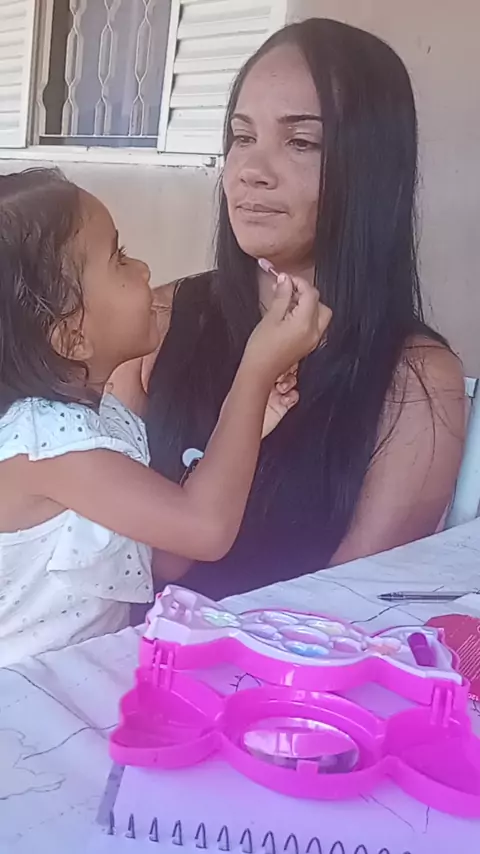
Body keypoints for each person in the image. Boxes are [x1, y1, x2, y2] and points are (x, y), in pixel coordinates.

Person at [112, 19, 466, 600]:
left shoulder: (418, 380)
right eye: (242, 136)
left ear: (371, 168)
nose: (252, 171)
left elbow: (347, 607)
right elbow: (99, 546)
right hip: (113, 648)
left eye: (300, 142)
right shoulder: (160, 317)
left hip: (283, 657)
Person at [0, 168, 329, 666]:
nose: (144, 268)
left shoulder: (102, 420)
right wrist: (256, 370)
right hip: (25, 697)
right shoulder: (48, 444)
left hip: (74, 681)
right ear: (72, 337)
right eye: (119, 258)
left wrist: (249, 421)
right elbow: (206, 530)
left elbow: (165, 557)